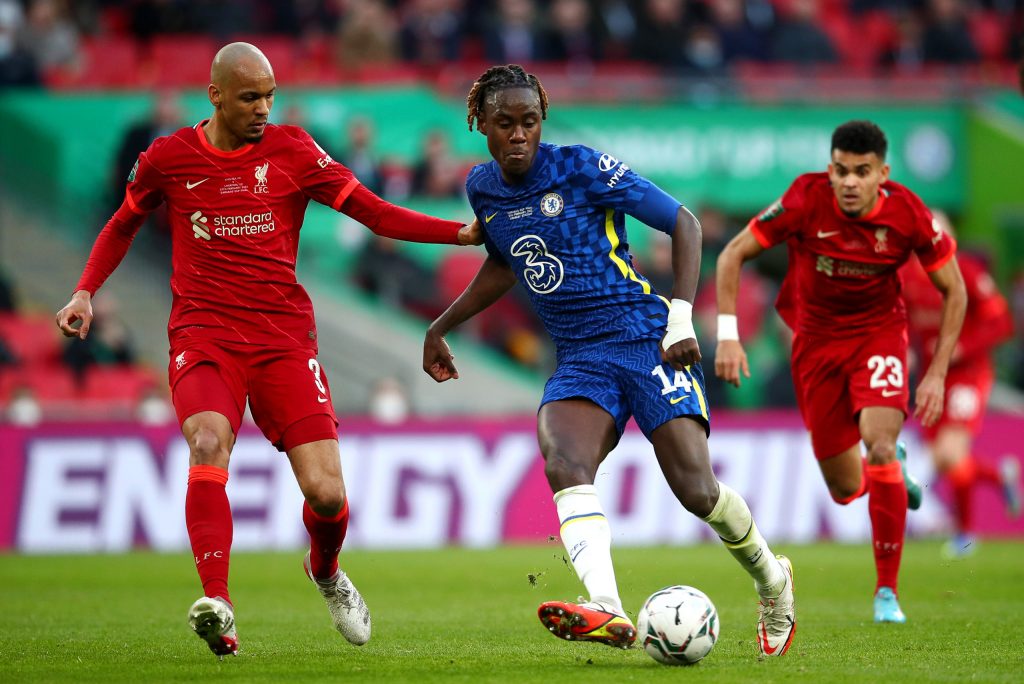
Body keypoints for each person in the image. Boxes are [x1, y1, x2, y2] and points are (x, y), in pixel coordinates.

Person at [55, 42, 482, 659]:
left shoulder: (294, 151)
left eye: (270, 96)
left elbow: (373, 212)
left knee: (328, 496)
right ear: (216, 95)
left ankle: (327, 571)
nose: (263, 108)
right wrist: (86, 291)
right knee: (207, 442)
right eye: (251, 96)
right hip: (204, 335)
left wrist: (461, 233)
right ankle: (218, 603)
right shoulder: (168, 158)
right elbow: (124, 222)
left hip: (283, 340)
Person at [423, 64, 796, 657]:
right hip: (580, 356)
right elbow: (504, 261)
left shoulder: (580, 167)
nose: (519, 135)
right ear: (481, 125)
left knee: (697, 491)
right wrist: (442, 325)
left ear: (541, 122)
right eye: (505, 124)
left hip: (645, 336)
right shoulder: (483, 188)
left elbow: (685, 223)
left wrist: (680, 318)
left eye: (529, 122)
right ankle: (608, 607)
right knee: (564, 460)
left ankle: (774, 581)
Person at [714, 120, 967, 624]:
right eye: (841, 171)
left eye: (862, 172)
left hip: (879, 335)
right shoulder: (806, 199)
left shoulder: (909, 213)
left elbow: (954, 290)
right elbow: (732, 254)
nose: (849, 182)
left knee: (875, 444)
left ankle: (887, 593)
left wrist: (936, 373)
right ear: (830, 169)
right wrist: (727, 334)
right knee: (846, 488)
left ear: (883, 174)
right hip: (816, 345)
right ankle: (891, 467)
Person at [901, 211, 1019, 558]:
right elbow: (903, 322)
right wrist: (904, 348)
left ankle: (965, 533)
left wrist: (961, 347)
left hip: (969, 374)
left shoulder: (966, 271)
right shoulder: (907, 276)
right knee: (943, 458)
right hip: (933, 378)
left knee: (950, 455)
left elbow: (1002, 323)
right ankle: (999, 477)